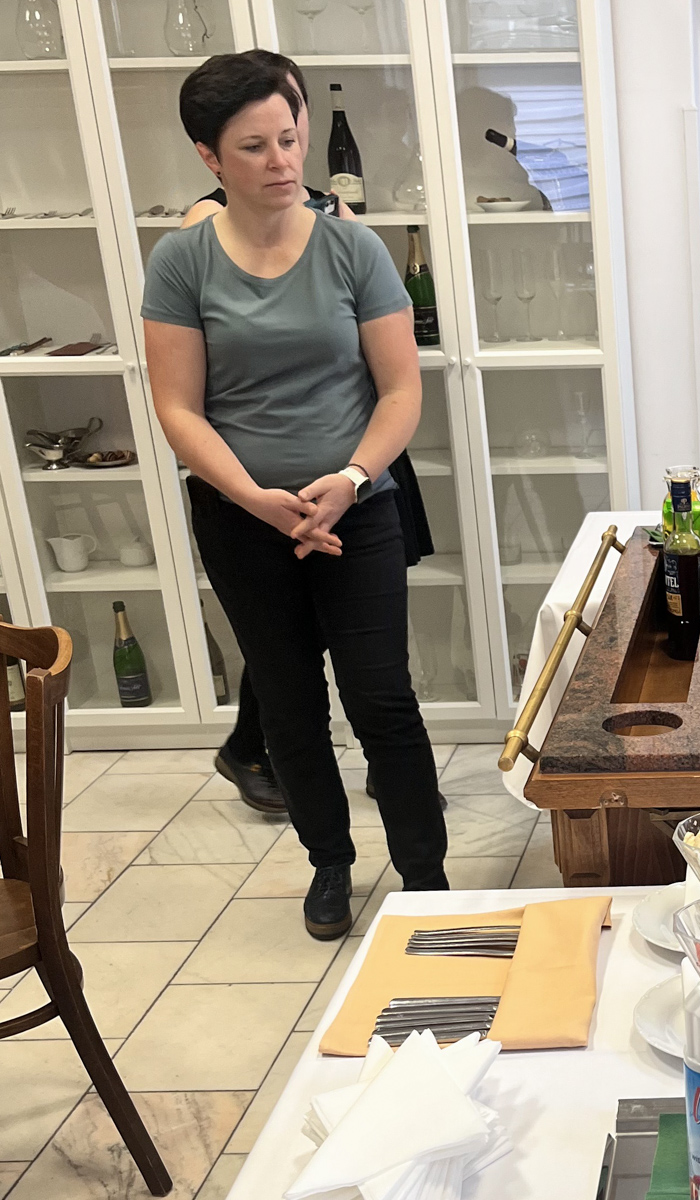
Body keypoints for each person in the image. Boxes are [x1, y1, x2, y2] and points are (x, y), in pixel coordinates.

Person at [143, 54, 450, 940]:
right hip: (242, 520)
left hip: (359, 509)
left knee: (380, 695)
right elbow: (178, 407)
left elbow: (400, 390)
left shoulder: (354, 248)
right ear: (209, 157)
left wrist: (349, 481)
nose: (282, 161)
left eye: (289, 138)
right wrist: (256, 498)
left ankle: (426, 875)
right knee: (287, 701)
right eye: (254, 147)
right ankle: (330, 863)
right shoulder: (182, 261)